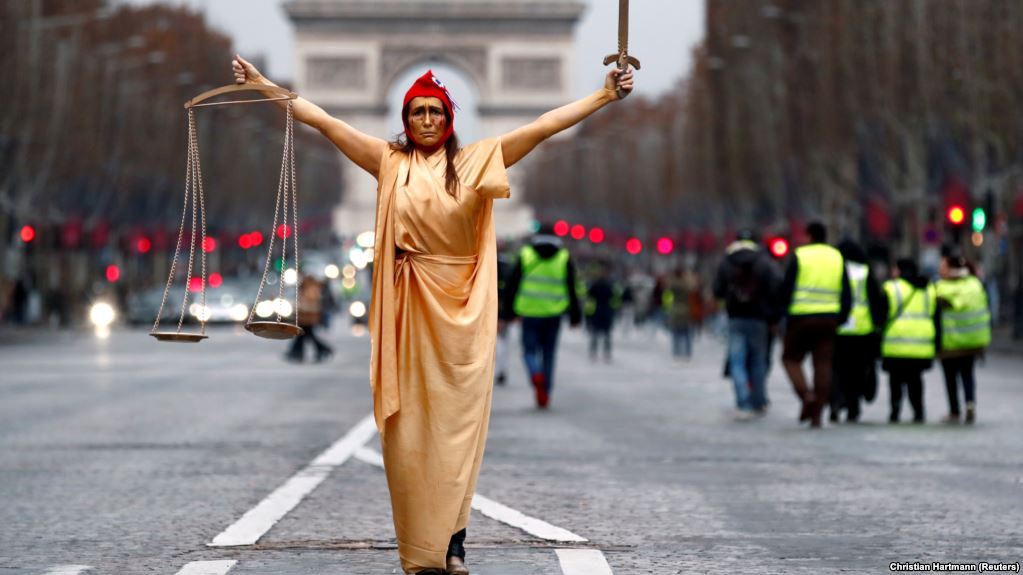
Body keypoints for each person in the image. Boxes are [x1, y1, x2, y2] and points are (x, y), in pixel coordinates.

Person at [233, 54, 633, 574]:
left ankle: (454, 544)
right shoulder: (386, 161)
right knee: (411, 434)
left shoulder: (480, 160)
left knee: (457, 432)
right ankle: (426, 547)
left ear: (449, 119)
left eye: (435, 111)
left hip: (463, 312)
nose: (426, 120)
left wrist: (604, 95)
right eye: (417, 111)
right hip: (409, 308)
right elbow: (325, 121)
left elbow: (542, 126)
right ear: (405, 119)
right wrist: (265, 85)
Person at [779, 222, 852, 428]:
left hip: (801, 318)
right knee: (823, 364)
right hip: (829, 318)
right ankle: (818, 413)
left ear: (809, 236)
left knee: (790, 358)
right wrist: (842, 316)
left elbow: (787, 288)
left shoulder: (800, 255)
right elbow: (846, 291)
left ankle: (806, 395)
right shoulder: (837, 257)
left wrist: (781, 313)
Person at [503, 225, 584, 408]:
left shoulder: (526, 255)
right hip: (554, 313)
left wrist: (508, 313)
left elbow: (512, 284)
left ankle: (535, 372)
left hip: (529, 312)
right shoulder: (563, 257)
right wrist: (575, 316)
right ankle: (545, 392)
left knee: (529, 351)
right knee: (549, 353)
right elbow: (572, 288)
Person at [713, 230, 781, 419]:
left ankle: (743, 402)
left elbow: (717, 290)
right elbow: (776, 287)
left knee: (737, 361)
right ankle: (758, 400)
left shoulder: (727, 260)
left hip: (735, 316)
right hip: (758, 317)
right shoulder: (764, 261)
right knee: (758, 360)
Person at [829, 239, 885, 423]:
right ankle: (853, 406)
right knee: (857, 370)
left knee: (837, 368)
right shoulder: (864, 271)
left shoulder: (835, 270)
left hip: (840, 327)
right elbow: (875, 299)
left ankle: (836, 401)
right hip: (862, 329)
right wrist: (878, 324)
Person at [881, 258, 938, 423]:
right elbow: (936, 316)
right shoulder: (928, 289)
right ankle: (918, 410)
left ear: (899, 270)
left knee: (895, 380)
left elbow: (881, 314)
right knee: (915, 380)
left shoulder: (892, 288)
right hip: (921, 344)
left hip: (895, 343)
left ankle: (895, 410)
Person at [936, 252, 991, 424]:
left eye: (943, 266)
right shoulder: (975, 284)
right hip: (971, 341)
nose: (940, 269)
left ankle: (954, 411)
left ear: (950, 268)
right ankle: (970, 402)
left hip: (949, 343)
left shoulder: (941, 288)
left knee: (950, 377)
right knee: (967, 374)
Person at [287, 274, 334, 363]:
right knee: (305, 335)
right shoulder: (305, 287)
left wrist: (300, 307)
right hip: (305, 316)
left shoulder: (311, 288)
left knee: (303, 335)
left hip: (308, 317)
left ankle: (297, 352)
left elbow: (311, 303)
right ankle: (297, 352)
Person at [663, 266, 700, 360]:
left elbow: (667, 298)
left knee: (676, 333)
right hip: (686, 310)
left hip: (675, 310)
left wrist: (667, 307)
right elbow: (694, 292)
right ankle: (687, 353)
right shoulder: (686, 285)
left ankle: (676, 352)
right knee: (686, 334)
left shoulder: (671, 285)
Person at [585, 261, 618, 362]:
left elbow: (589, 298)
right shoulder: (610, 285)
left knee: (596, 334)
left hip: (598, 312)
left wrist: (588, 314)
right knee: (605, 335)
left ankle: (595, 352)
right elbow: (614, 299)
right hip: (605, 312)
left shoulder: (595, 285)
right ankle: (605, 353)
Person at [494, 247, 516, 385]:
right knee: (503, 341)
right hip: (505, 311)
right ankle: (501, 370)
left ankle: (499, 371)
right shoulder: (508, 266)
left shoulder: (494, 265)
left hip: (496, 310)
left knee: (499, 342)